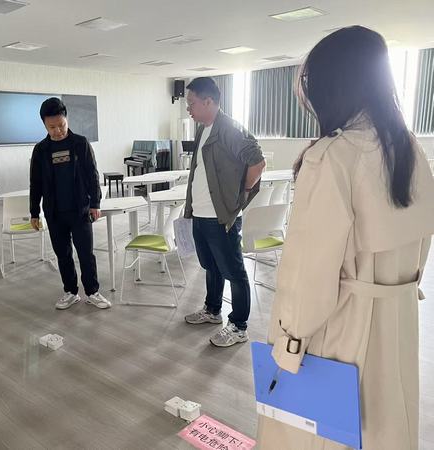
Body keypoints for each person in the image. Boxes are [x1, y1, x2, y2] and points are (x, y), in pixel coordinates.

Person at [256, 26, 434, 450]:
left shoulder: (332, 156)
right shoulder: (410, 149)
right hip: (399, 319)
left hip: (340, 330)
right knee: (388, 425)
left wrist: (287, 345)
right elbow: (422, 240)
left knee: (320, 434)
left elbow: (307, 275)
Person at [182, 77, 265, 347]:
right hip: (201, 213)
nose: (188, 109)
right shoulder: (203, 129)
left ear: (208, 101)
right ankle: (212, 310)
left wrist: (240, 195)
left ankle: (239, 326)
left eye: (192, 103)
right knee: (211, 266)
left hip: (221, 216)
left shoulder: (229, 128)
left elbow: (257, 162)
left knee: (234, 271)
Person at [30, 97, 110, 310]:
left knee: (86, 254)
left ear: (67, 119)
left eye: (61, 125)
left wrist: (95, 203)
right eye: (52, 127)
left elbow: (92, 175)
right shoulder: (41, 150)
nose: (58, 130)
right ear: (44, 124)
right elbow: (35, 183)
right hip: (54, 212)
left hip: (80, 210)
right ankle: (70, 292)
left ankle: (92, 292)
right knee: (63, 254)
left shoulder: (80, 144)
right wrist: (34, 212)